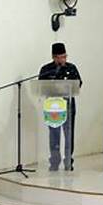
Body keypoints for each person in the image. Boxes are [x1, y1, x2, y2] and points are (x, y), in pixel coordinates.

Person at [39, 42, 82, 171]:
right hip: (53, 105)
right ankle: (54, 161)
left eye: (64, 56)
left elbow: (79, 83)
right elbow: (41, 86)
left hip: (68, 104)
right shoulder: (46, 69)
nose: (62, 60)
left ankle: (68, 161)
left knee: (69, 134)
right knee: (54, 134)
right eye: (59, 57)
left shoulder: (72, 68)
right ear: (53, 57)